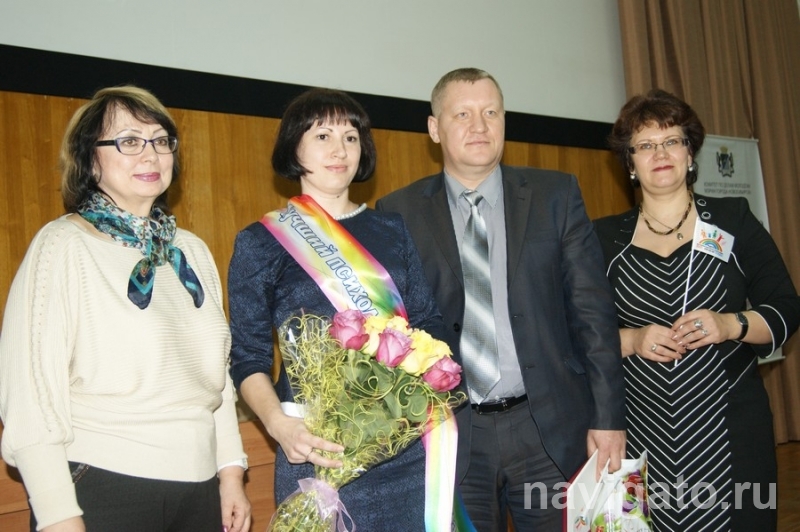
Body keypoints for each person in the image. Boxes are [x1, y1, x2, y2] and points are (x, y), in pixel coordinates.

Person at [376, 67, 627, 531]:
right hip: (454, 435)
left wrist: (609, 418)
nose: (480, 125)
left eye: (491, 112)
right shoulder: (398, 212)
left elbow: (593, 314)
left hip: (547, 427)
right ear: (434, 128)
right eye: (463, 114)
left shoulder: (555, 196)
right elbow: (396, 329)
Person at [0, 86, 251, 532]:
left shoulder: (191, 250)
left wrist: (230, 472)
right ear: (90, 159)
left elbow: (217, 381)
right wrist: (58, 515)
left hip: (199, 491)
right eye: (129, 141)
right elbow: (31, 395)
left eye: (160, 140)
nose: (150, 154)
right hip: (102, 486)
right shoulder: (63, 246)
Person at [228, 88, 447, 531]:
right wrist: (278, 425)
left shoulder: (392, 229)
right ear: (294, 148)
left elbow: (427, 323)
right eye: (322, 136)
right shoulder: (260, 242)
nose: (340, 150)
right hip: (314, 449)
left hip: (403, 450)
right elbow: (247, 357)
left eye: (351, 137)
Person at [595, 88, 800, 531]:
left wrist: (731, 324)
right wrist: (632, 339)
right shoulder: (602, 239)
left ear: (690, 154)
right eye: (645, 145)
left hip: (729, 431)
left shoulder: (733, 219)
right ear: (630, 163)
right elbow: (575, 335)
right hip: (639, 433)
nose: (660, 153)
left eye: (672, 140)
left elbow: (786, 310)